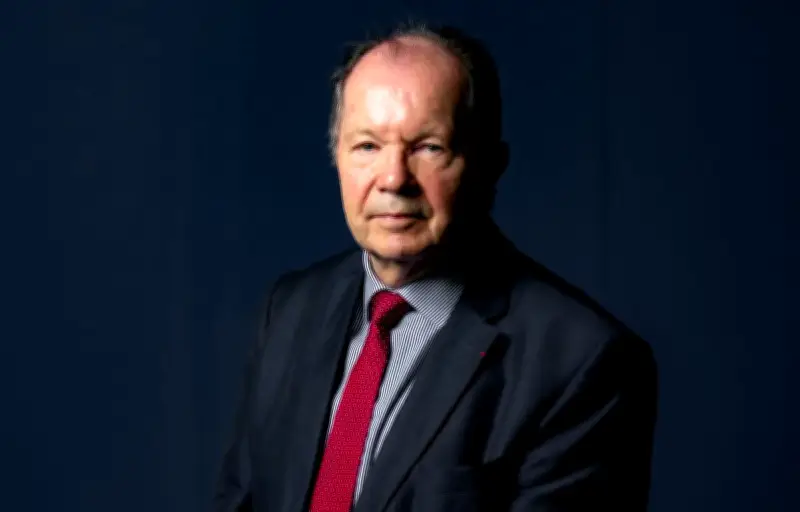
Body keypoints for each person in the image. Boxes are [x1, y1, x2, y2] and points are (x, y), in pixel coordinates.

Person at [214, 22, 657, 512]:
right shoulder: (289, 310)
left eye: (429, 147)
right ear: (336, 157)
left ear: (490, 165)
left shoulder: (581, 363)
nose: (393, 178)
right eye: (367, 146)